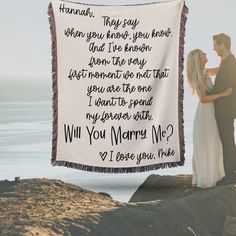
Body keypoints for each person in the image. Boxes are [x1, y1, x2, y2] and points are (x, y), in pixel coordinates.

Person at [186, 49, 232, 188]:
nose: (206, 54)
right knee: (208, 142)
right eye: (202, 53)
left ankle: (214, 174)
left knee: (214, 141)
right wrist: (223, 94)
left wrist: (227, 59)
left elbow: (220, 70)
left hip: (211, 111)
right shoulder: (198, 75)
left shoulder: (205, 72)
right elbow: (204, 99)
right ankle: (207, 177)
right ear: (199, 59)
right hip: (206, 112)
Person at [207, 33, 236, 183]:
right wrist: (206, 72)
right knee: (228, 140)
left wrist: (203, 94)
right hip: (226, 108)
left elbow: (221, 86)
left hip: (225, 109)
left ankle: (231, 176)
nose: (214, 49)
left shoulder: (229, 62)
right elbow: (220, 72)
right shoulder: (228, 61)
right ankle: (231, 173)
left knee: (227, 141)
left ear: (223, 45)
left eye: (215, 45)